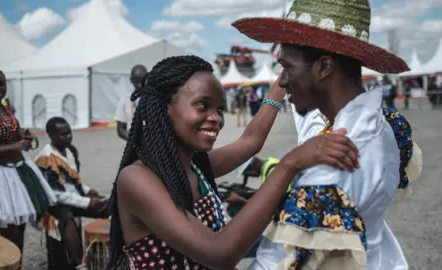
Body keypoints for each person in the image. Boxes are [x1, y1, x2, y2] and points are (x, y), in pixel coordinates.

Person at [107, 55, 360, 270]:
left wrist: (283, 81)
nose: (216, 118)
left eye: (219, 108)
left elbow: (249, 143)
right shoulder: (137, 179)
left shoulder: (195, 166)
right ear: (164, 109)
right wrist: (289, 164)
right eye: (202, 106)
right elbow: (219, 253)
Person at [232, 0, 418, 269]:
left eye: (287, 67)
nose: (281, 82)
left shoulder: (327, 172)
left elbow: (274, 263)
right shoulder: (387, 123)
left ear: (324, 67)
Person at [0, 67, 57, 268]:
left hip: (14, 173)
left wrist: (22, 136)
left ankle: (15, 265)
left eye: (1, 83)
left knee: (15, 229)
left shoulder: (5, 107)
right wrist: (15, 146)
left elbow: (4, 134)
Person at [35, 117, 110, 270]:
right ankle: (79, 263)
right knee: (66, 216)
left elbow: (73, 182)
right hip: (53, 204)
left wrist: (89, 192)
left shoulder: (70, 150)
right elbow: (55, 194)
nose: (68, 137)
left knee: (111, 206)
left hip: (74, 199)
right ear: (50, 135)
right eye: (63, 134)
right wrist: (87, 202)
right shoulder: (45, 158)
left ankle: (115, 253)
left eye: (69, 133)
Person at [115, 64, 148, 140]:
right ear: (131, 80)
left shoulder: (155, 98)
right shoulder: (125, 100)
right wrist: (135, 143)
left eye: (142, 81)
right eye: (136, 81)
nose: (140, 85)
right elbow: (120, 130)